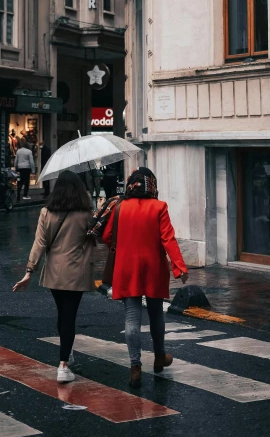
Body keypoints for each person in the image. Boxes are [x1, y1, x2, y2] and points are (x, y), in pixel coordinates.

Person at [89, 166, 188, 388]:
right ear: (152, 185)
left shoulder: (120, 207)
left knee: (132, 317)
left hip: (127, 268)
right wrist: (179, 267)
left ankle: (135, 367)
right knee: (155, 315)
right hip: (153, 268)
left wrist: (122, 246)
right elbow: (168, 239)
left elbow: (106, 236)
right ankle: (160, 357)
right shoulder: (159, 207)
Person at [13, 170, 94, 383]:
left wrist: (29, 271)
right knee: (70, 316)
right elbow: (95, 239)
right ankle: (63, 365)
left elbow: (39, 243)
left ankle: (66, 354)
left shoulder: (46, 212)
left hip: (54, 272)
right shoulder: (86, 213)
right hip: (77, 271)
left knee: (62, 315)